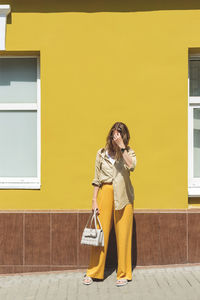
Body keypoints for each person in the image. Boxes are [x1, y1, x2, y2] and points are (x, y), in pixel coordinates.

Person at [82, 121, 137, 287]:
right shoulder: (101, 153)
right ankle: (93, 272)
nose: (116, 136)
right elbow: (96, 178)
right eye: (114, 133)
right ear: (110, 135)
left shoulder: (129, 152)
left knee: (124, 236)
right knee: (100, 234)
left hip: (124, 196)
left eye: (120, 134)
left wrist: (122, 147)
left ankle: (124, 274)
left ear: (124, 136)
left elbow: (132, 166)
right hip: (105, 193)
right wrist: (94, 200)